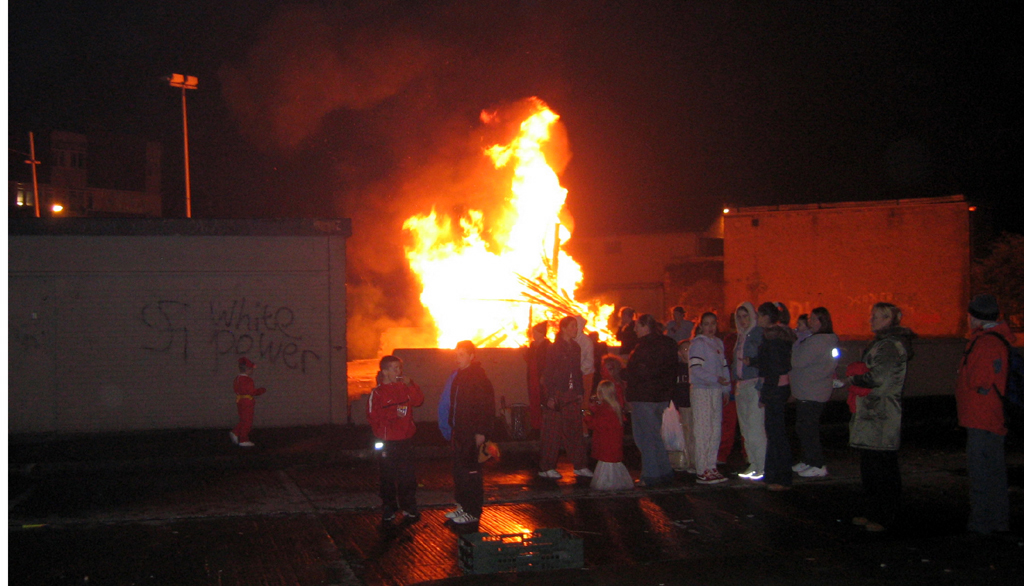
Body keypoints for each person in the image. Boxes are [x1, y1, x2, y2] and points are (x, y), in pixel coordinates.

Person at [846, 302, 915, 532]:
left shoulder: (889, 346)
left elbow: (879, 378)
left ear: (890, 320)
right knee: (872, 465)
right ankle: (874, 511)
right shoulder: (882, 344)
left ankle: (885, 515)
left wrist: (854, 379)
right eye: (872, 315)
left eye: (878, 316)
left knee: (882, 466)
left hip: (881, 413)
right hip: (874, 411)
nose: (871, 320)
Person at [956, 294, 1015, 536]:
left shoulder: (985, 342)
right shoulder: (998, 339)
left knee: (982, 472)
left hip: (980, 415)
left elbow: (978, 379)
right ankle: (998, 521)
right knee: (994, 471)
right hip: (990, 415)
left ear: (975, 317)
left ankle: (981, 523)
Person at [441, 341, 496, 525]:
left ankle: (472, 511)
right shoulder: (459, 377)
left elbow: (487, 408)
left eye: (462, 354)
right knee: (460, 472)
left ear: (472, 356)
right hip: (460, 432)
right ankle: (463, 507)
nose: (458, 358)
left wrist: (481, 432)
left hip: (471, 433)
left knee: (471, 473)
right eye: (457, 354)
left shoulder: (479, 378)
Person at [367, 355, 425, 523]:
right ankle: (389, 507)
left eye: (399, 368)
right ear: (384, 372)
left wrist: (411, 384)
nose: (398, 371)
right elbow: (372, 416)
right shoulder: (377, 393)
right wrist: (387, 428)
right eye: (394, 369)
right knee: (387, 477)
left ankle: (409, 507)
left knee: (407, 476)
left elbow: (418, 400)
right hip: (387, 442)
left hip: (405, 439)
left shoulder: (404, 387)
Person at [624, 313, 677, 487]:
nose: (634, 329)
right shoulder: (668, 344)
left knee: (645, 437)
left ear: (646, 326)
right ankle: (664, 471)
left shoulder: (644, 347)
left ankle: (651, 475)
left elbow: (640, 372)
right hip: (660, 397)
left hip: (644, 397)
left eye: (637, 326)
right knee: (654, 435)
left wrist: (622, 373)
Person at [538, 316, 593, 479]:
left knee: (575, 429)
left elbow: (577, 371)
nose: (576, 329)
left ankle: (580, 465)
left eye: (576, 326)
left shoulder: (576, 347)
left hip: (572, 393)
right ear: (563, 328)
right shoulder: (554, 348)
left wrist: (579, 391)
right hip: (558, 393)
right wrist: (550, 395)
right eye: (572, 326)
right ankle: (546, 467)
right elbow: (549, 372)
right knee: (552, 431)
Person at [749, 302, 796, 491]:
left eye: (759, 315)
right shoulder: (776, 337)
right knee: (774, 432)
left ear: (767, 317)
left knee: (776, 434)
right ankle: (773, 474)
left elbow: (775, 367)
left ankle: (782, 477)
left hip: (775, 388)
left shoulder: (774, 338)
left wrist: (767, 393)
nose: (757, 319)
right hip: (777, 388)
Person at [790, 307, 840, 478]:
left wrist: (793, 347)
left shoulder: (817, 342)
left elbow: (797, 361)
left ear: (821, 321)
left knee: (807, 428)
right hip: (811, 390)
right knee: (804, 427)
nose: (809, 322)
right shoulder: (825, 340)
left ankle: (817, 463)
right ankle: (809, 459)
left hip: (812, 391)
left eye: (812, 319)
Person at [688, 312, 731, 484]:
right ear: (700, 326)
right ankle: (702, 468)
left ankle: (711, 465)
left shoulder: (718, 343)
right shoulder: (698, 343)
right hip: (702, 390)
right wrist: (715, 378)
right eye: (706, 324)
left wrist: (726, 388)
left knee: (715, 429)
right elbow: (696, 369)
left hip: (715, 390)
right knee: (703, 429)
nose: (710, 327)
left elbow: (724, 367)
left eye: (713, 323)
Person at [732, 302, 767, 480]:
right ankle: (753, 463)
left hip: (753, 384)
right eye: (740, 317)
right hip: (741, 385)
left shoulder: (758, 334)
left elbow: (764, 361)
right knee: (746, 428)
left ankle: (762, 465)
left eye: (746, 316)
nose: (743, 320)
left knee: (755, 427)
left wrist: (761, 386)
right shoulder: (741, 336)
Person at [585, 380, 634, 490]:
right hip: (613, 443)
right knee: (613, 465)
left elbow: (596, 424)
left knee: (607, 466)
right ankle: (615, 483)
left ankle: (608, 485)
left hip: (606, 444)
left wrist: (587, 415)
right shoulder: (614, 407)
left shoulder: (606, 409)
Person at [230, 357, 266, 448]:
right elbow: (252, 392)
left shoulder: (237, 379)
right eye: (251, 369)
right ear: (248, 369)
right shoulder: (248, 380)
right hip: (247, 402)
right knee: (248, 421)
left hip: (240, 400)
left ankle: (235, 432)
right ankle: (243, 439)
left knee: (243, 419)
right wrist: (261, 390)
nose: (252, 371)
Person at [525, 321, 551, 432]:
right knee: (534, 399)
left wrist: (544, 376)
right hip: (533, 376)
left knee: (543, 399)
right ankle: (535, 424)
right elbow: (529, 360)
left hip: (541, 377)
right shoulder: (533, 345)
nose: (533, 334)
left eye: (535, 332)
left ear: (541, 333)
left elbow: (548, 363)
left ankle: (545, 425)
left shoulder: (547, 346)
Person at [574, 315, 597, 396]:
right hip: (575, 375)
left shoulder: (586, 341)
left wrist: (579, 370)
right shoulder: (572, 339)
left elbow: (589, 361)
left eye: (575, 326)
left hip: (585, 375)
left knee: (584, 397)